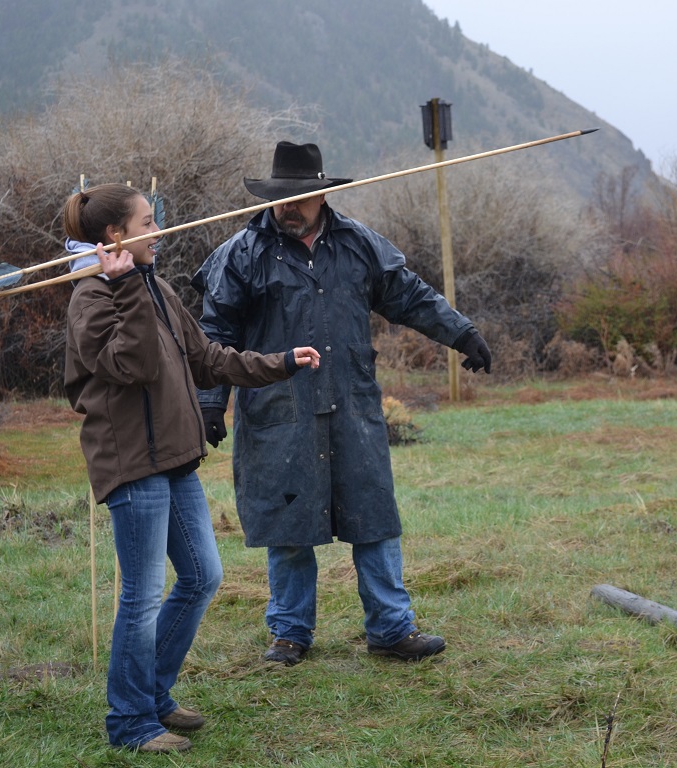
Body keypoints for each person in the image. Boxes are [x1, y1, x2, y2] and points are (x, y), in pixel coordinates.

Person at [190, 141, 492, 666]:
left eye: (300, 197)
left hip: (352, 405)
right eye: (282, 196)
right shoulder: (241, 254)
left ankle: (392, 629)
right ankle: (289, 633)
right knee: (287, 523)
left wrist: (461, 334)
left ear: (322, 197)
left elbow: (410, 296)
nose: (289, 206)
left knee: (372, 514)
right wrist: (210, 400)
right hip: (278, 411)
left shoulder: (359, 246)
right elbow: (214, 332)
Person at [62, 183, 320, 753]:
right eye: (149, 222)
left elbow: (208, 359)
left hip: (175, 458)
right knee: (142, 596)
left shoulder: (153, 287)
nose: (160, 231)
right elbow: (132, 364)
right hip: (132, 466)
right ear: (116, 236)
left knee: (204, 576)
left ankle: (152, 694)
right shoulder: (91, 297)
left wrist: (280, 361)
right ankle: (129, 722)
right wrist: (125, 284)